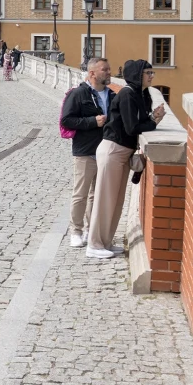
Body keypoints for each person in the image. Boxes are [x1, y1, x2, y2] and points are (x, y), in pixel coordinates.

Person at [86, 60, 165, 258]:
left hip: (122, 152)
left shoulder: (140, 94)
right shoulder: (128, 94)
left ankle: (106, 242)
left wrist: (152, 118)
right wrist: (154, 122)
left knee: (116, 200)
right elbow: (131, 127)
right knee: (105, 200)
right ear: (137, 74)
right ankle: (94, 245)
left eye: (152, 72)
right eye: (148, 72)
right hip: (113, 150)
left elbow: (138, 122)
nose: (151, 76)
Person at [60, 58, 114, 248]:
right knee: (80, 194)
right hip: (85, 151)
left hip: (105, 152)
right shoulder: (78, 94)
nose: (109, 72)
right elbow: (66, 120)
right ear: (92, 73)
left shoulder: (112, 95)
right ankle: (76, 231)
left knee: (96, 195)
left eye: (109, 69)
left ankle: (92, 230)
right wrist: (92, 122)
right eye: (104, 70)